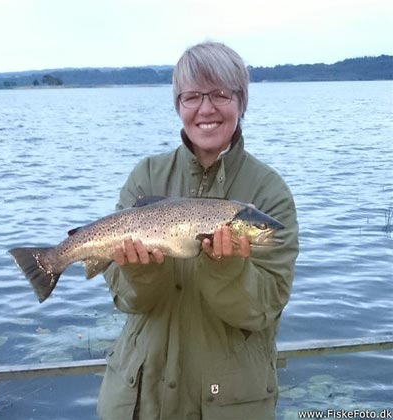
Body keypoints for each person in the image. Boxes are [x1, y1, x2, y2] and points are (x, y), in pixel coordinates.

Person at [97, 41, 299, 420]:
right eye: (192, 97)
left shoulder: (270, 192)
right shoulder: (145, 176)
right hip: (140, 399)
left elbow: (264, 309)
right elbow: (127, 301)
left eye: (221, 94)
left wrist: (227, 269)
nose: (206, 108)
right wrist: (139, 271)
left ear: (241, 101)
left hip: (229, 402)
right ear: (178, 106)